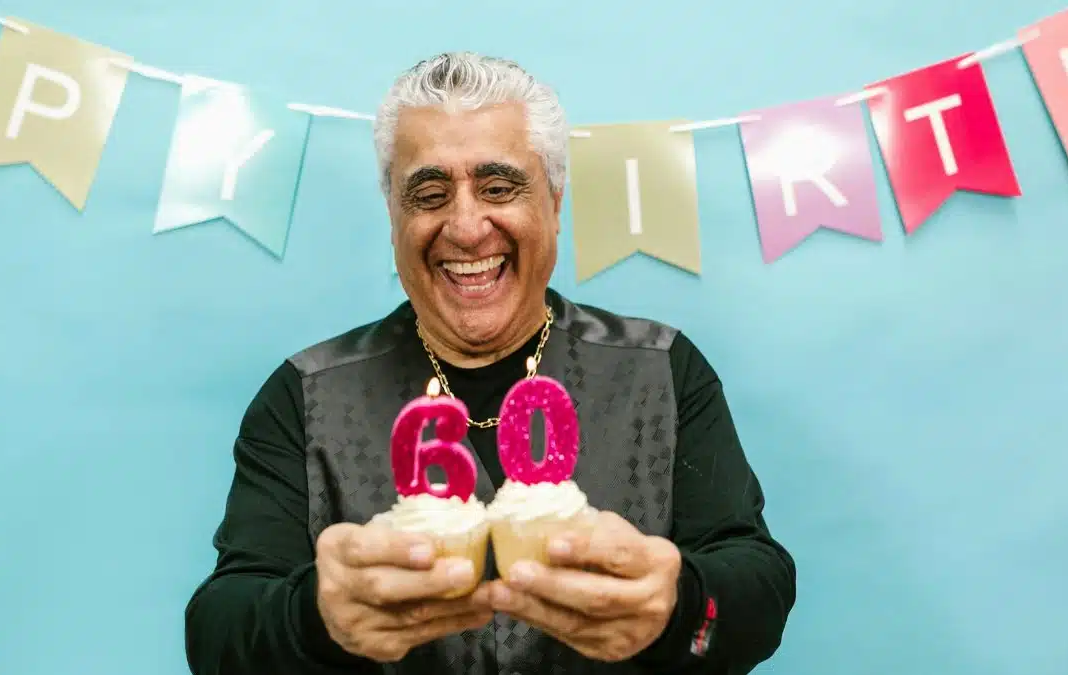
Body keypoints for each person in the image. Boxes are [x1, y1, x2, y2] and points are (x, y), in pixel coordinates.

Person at [184, 52, 796, 674]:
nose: (468, 227)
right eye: (429, 193)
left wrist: (680, 600)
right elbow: (218, 632)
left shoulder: (665, 370)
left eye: (500, 187)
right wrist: (313, 616)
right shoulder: (302, 397)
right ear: (393, 216)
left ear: (555, 204)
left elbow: (758, 586)